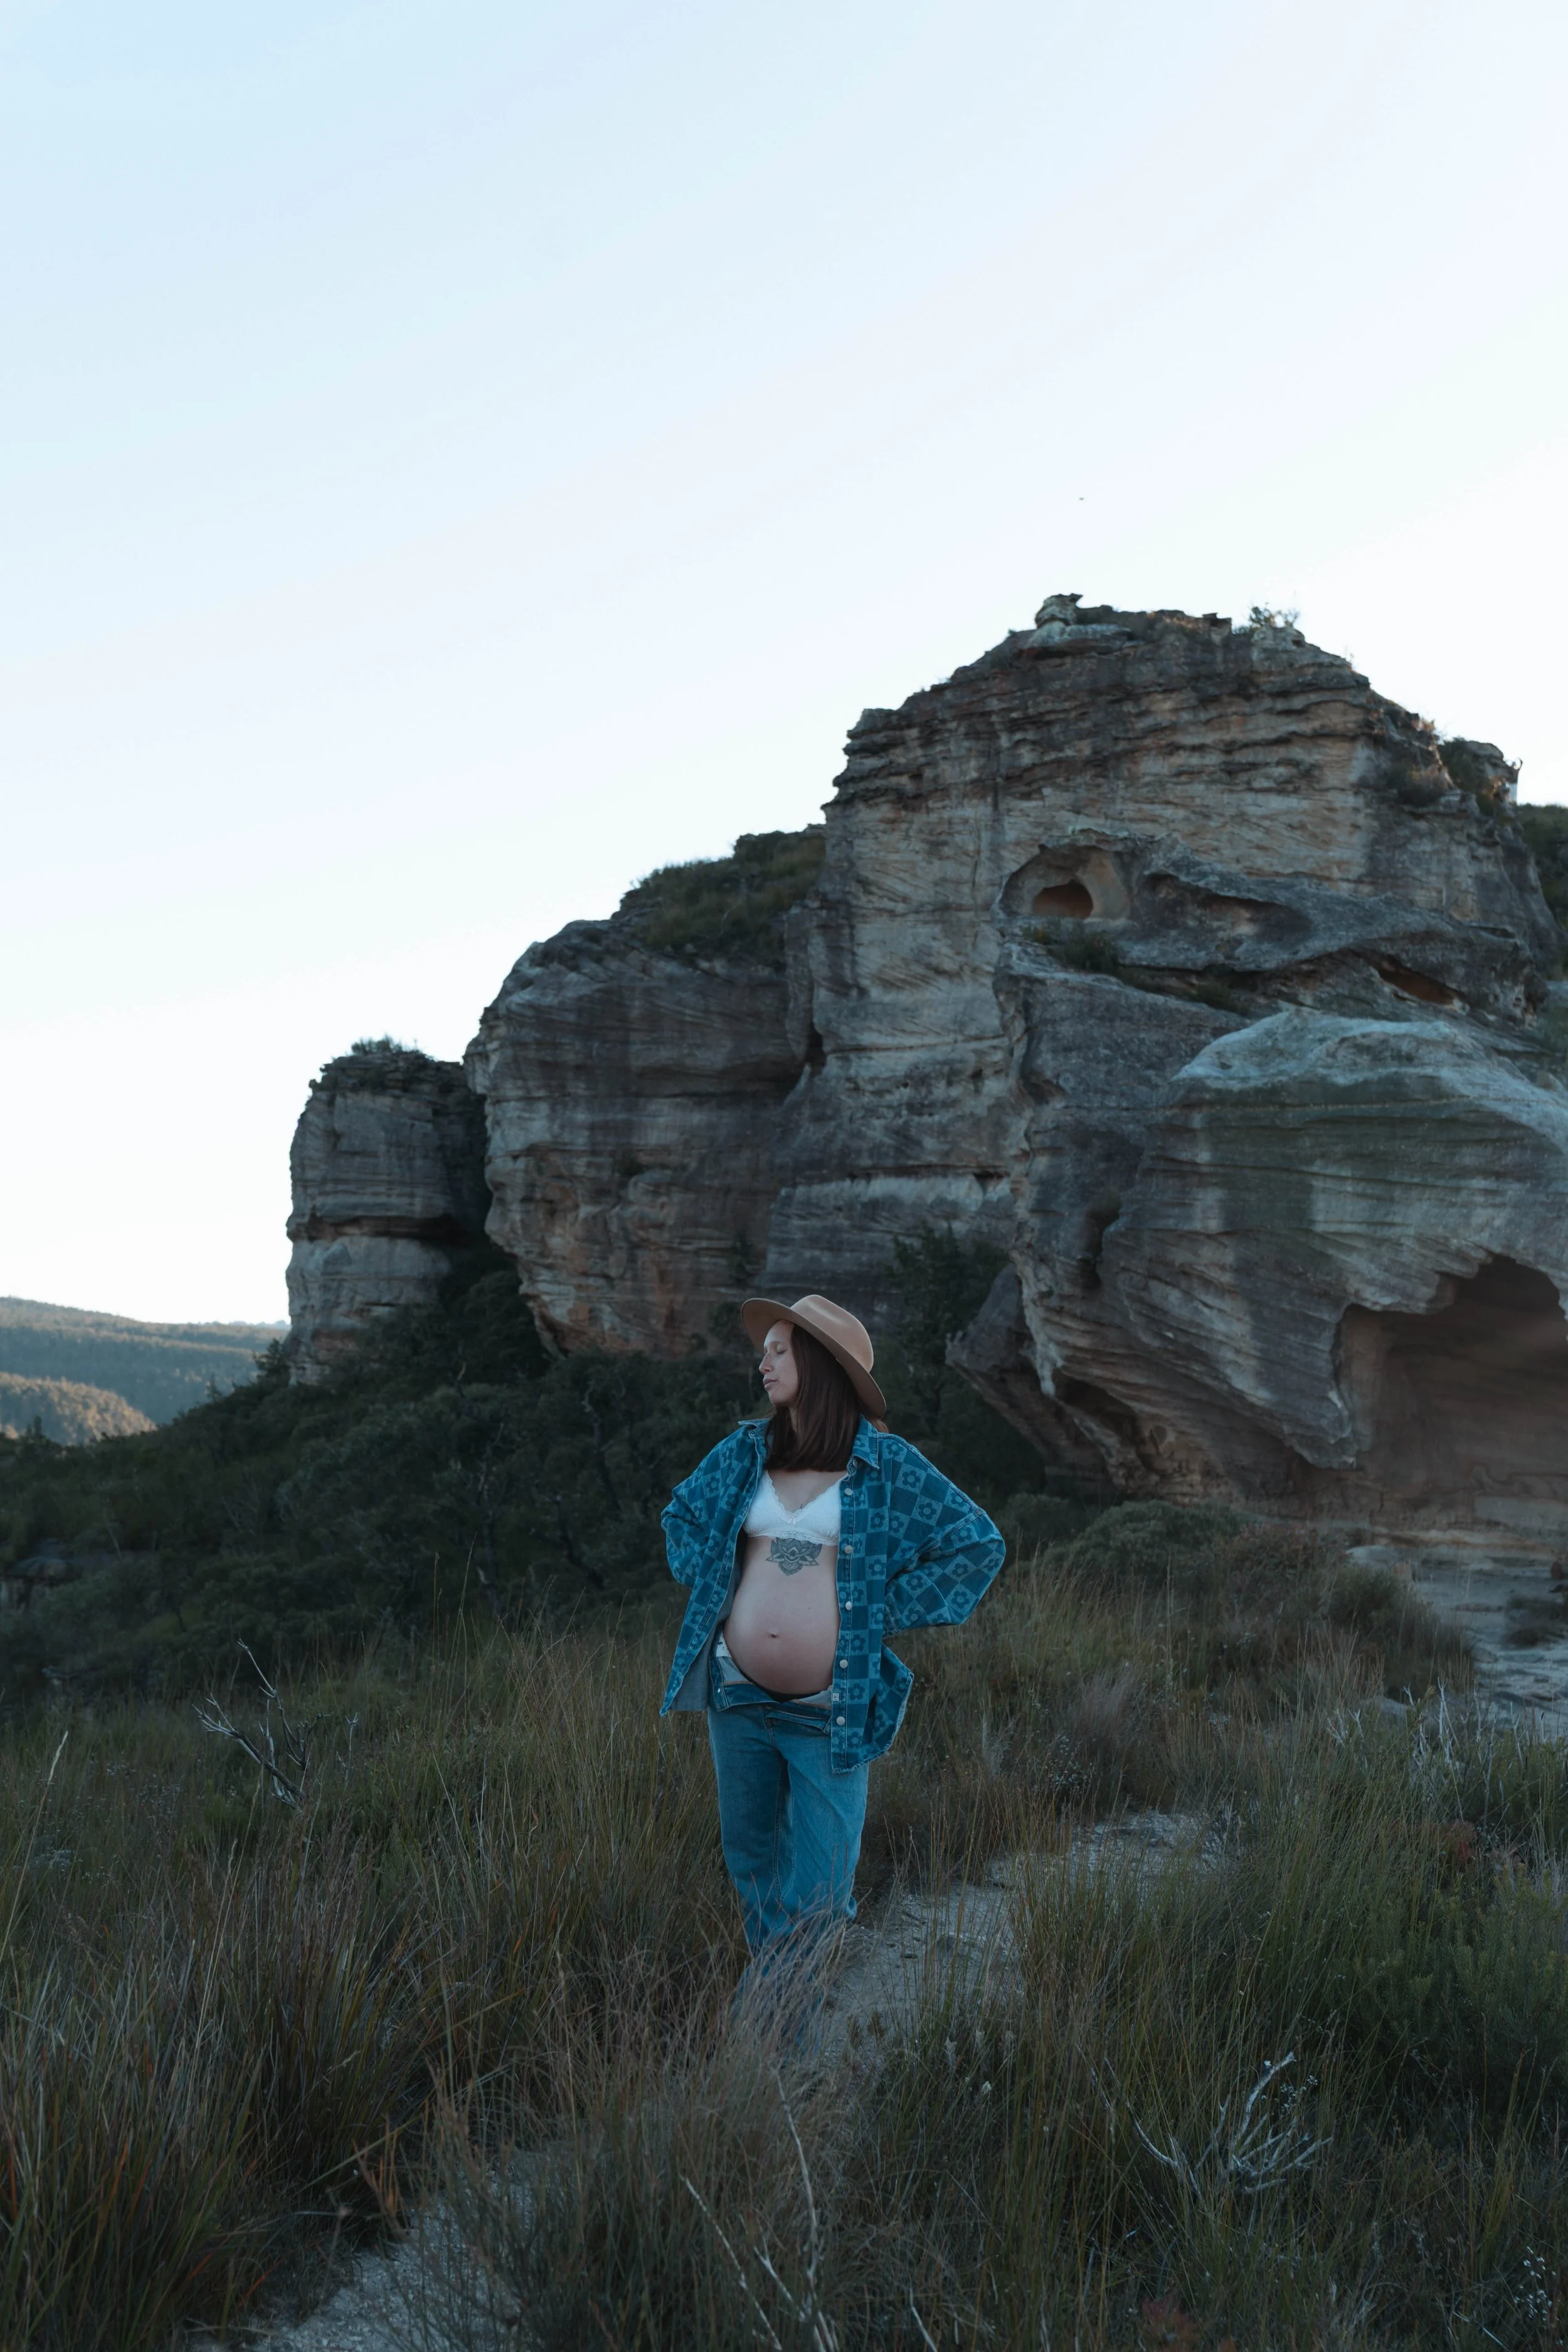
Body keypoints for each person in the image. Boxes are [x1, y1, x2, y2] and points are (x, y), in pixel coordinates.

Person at [660, 1291, 1005, 2004]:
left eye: (779, 1350)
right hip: (736, 1696)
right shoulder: (745, 1453)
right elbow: (681, 1515)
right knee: (753, 1863)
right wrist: (720, 1583)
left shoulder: (887, 1464)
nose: (763, 1364)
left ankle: (760, 2023)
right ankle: (785, 2021)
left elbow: (977, 1546)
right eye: (765, 1351)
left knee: (821, 1891)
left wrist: (874, 1611)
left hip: (830, 1709)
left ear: (819, 1363)